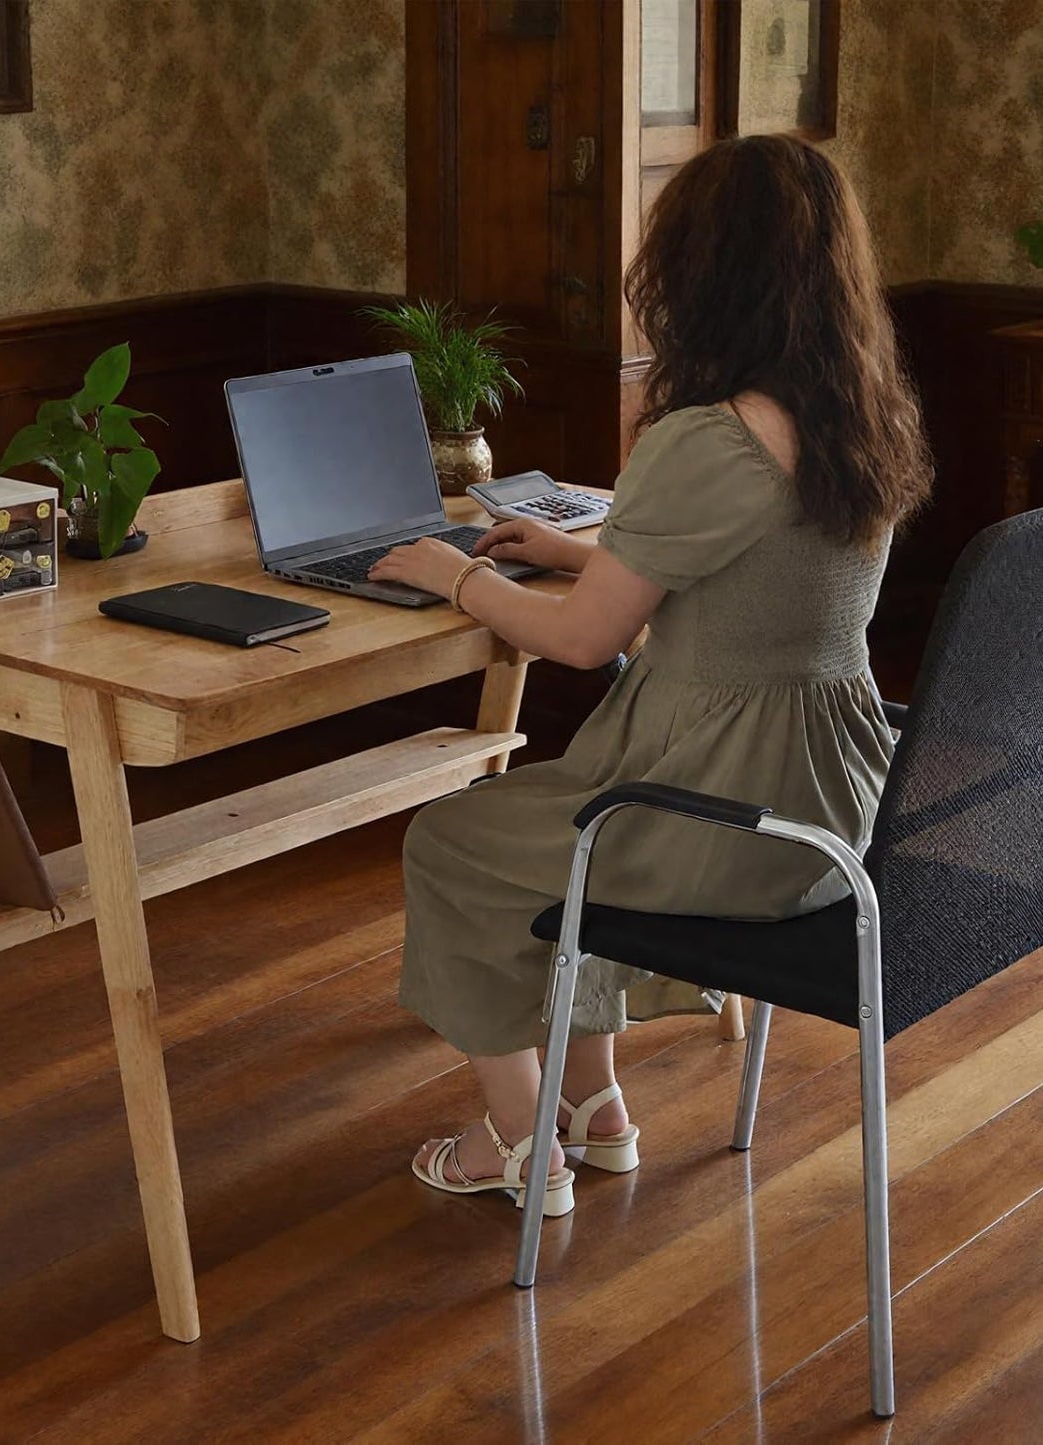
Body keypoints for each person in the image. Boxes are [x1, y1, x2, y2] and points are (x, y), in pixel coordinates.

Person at [366, 133, 933, 1215]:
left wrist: (455, 578)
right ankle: (597, 1107)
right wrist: (588, 552)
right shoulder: (862, 410)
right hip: (835, 803)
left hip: (722, 811)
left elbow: (579, 642)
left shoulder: (710, 440)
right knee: (570, 833)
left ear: (702, 273)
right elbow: (766, 579)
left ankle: (518, 1144)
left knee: (455, 842)